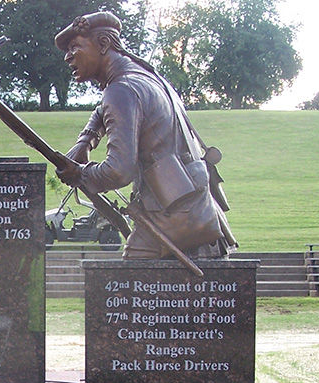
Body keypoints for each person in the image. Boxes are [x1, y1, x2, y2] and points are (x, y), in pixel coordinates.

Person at [54, 12, 236, 260]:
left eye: (75, 46)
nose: (67, 56)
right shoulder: (148, 78)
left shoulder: (121, 91)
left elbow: (118, 171)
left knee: (127, 292)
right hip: (197, 217)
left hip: (173, 228)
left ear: (104, 44)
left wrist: (80, 174)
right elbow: (104, 110)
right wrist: (86, 139)